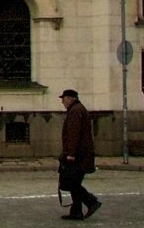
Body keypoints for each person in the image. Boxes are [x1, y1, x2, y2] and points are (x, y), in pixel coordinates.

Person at [58, 88, 100, 220]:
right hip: (81, 154)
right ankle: (76, 211)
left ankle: (91, 202)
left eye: (63, 100)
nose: (63, 103)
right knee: (73, 182)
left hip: (78, 156)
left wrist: (70, 153)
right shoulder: (78, 109)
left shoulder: (75, 111)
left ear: (70, 98)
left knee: (72, 183)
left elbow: (74, 134)